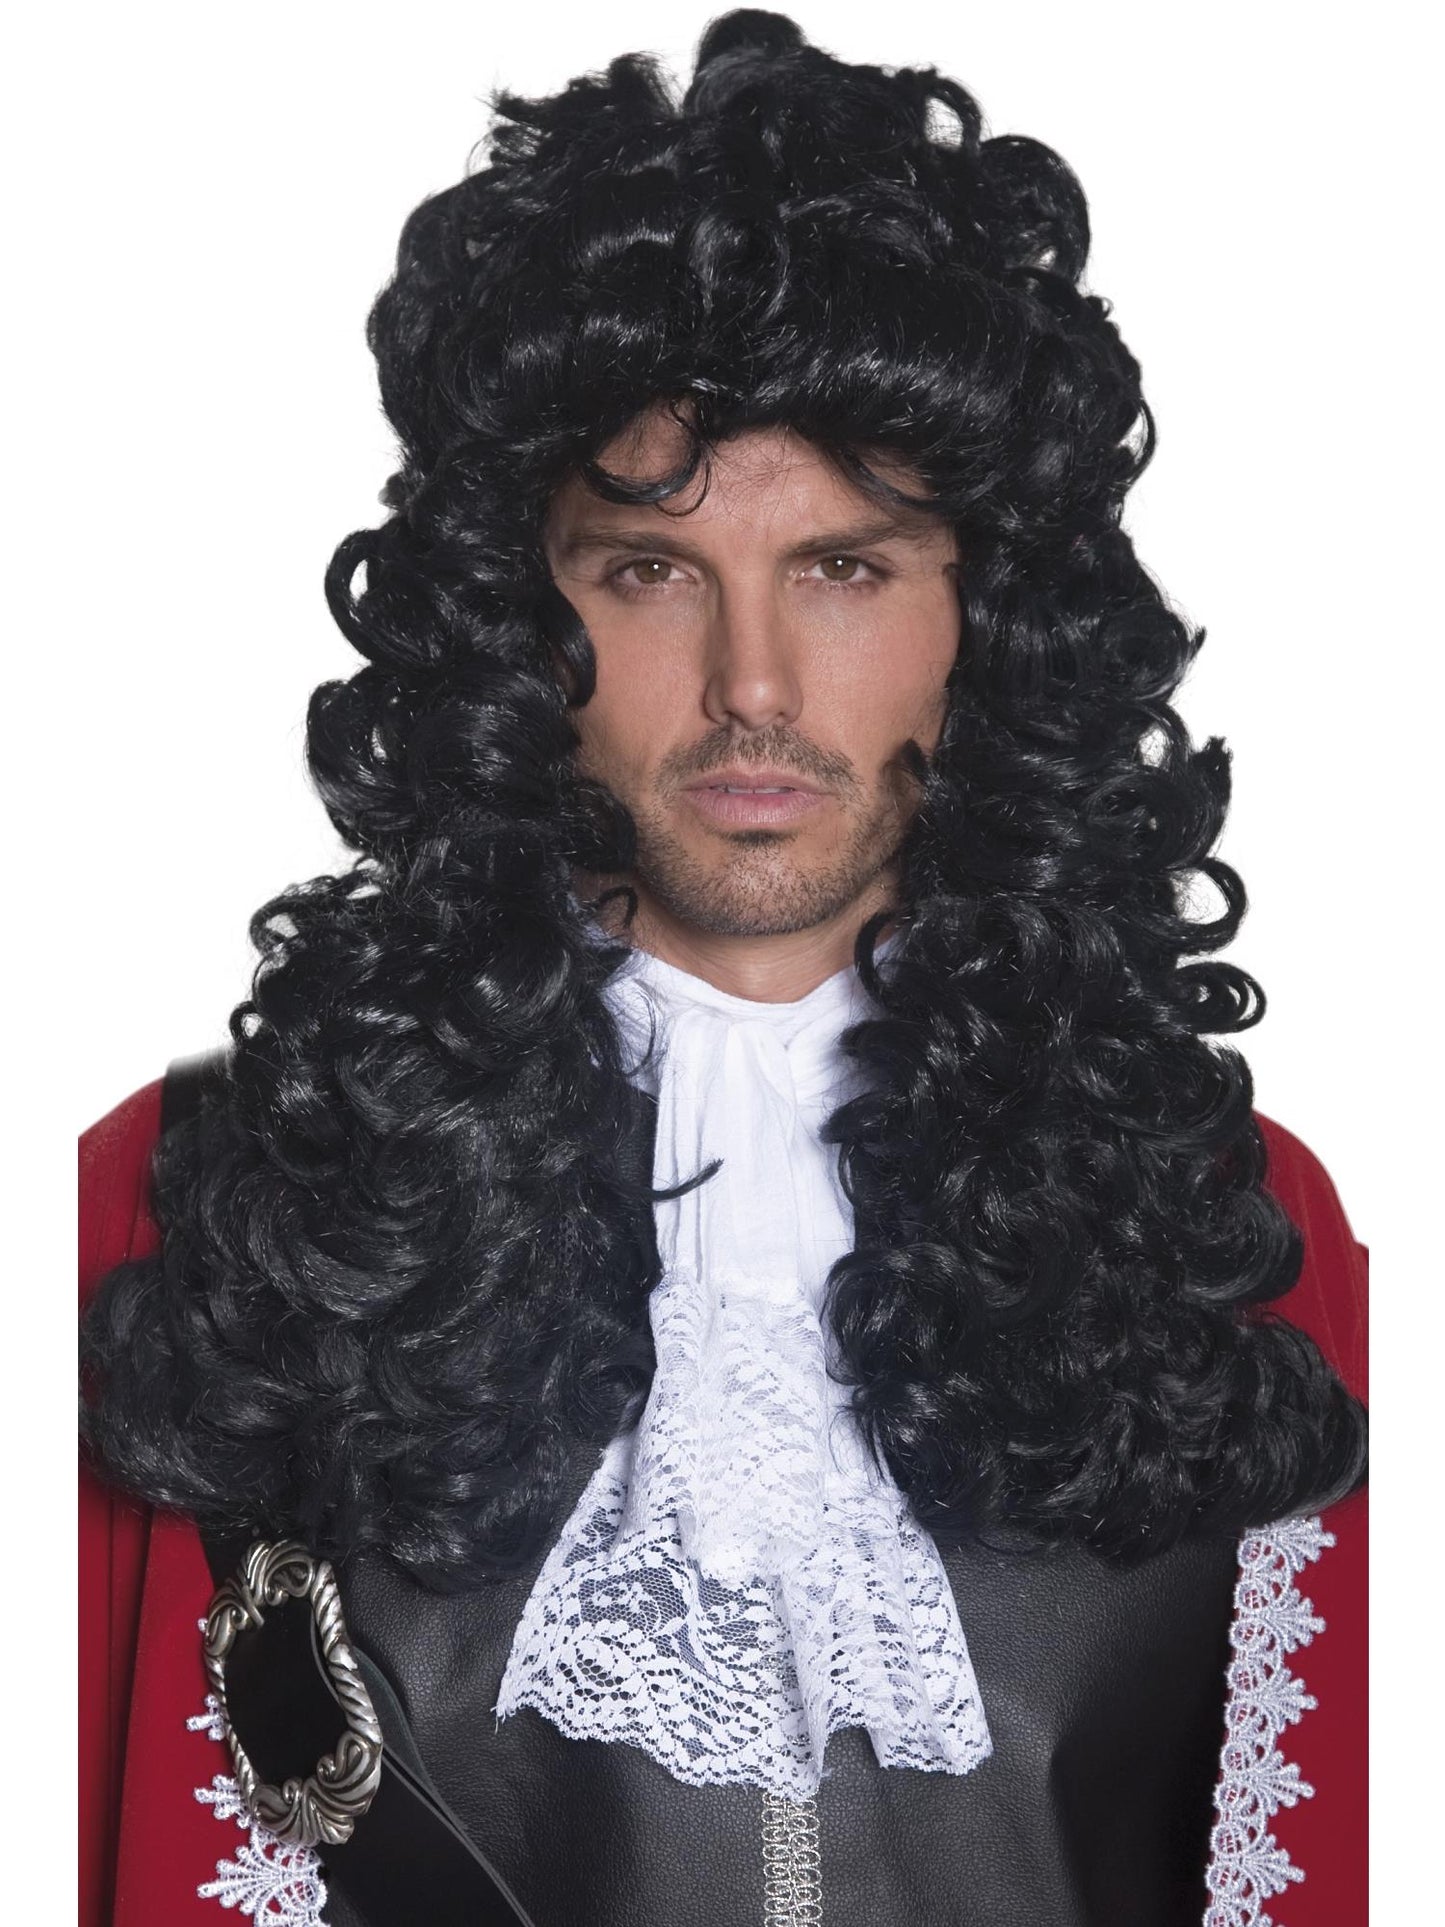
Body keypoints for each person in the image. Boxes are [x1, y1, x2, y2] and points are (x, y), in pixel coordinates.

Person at [78, 12, 1368, 1926]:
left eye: (845, 569)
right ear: (516, 618)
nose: (751, 685)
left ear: (980, 621)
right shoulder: (186, 1204)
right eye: (647, 570)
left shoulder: (1241, 1228)